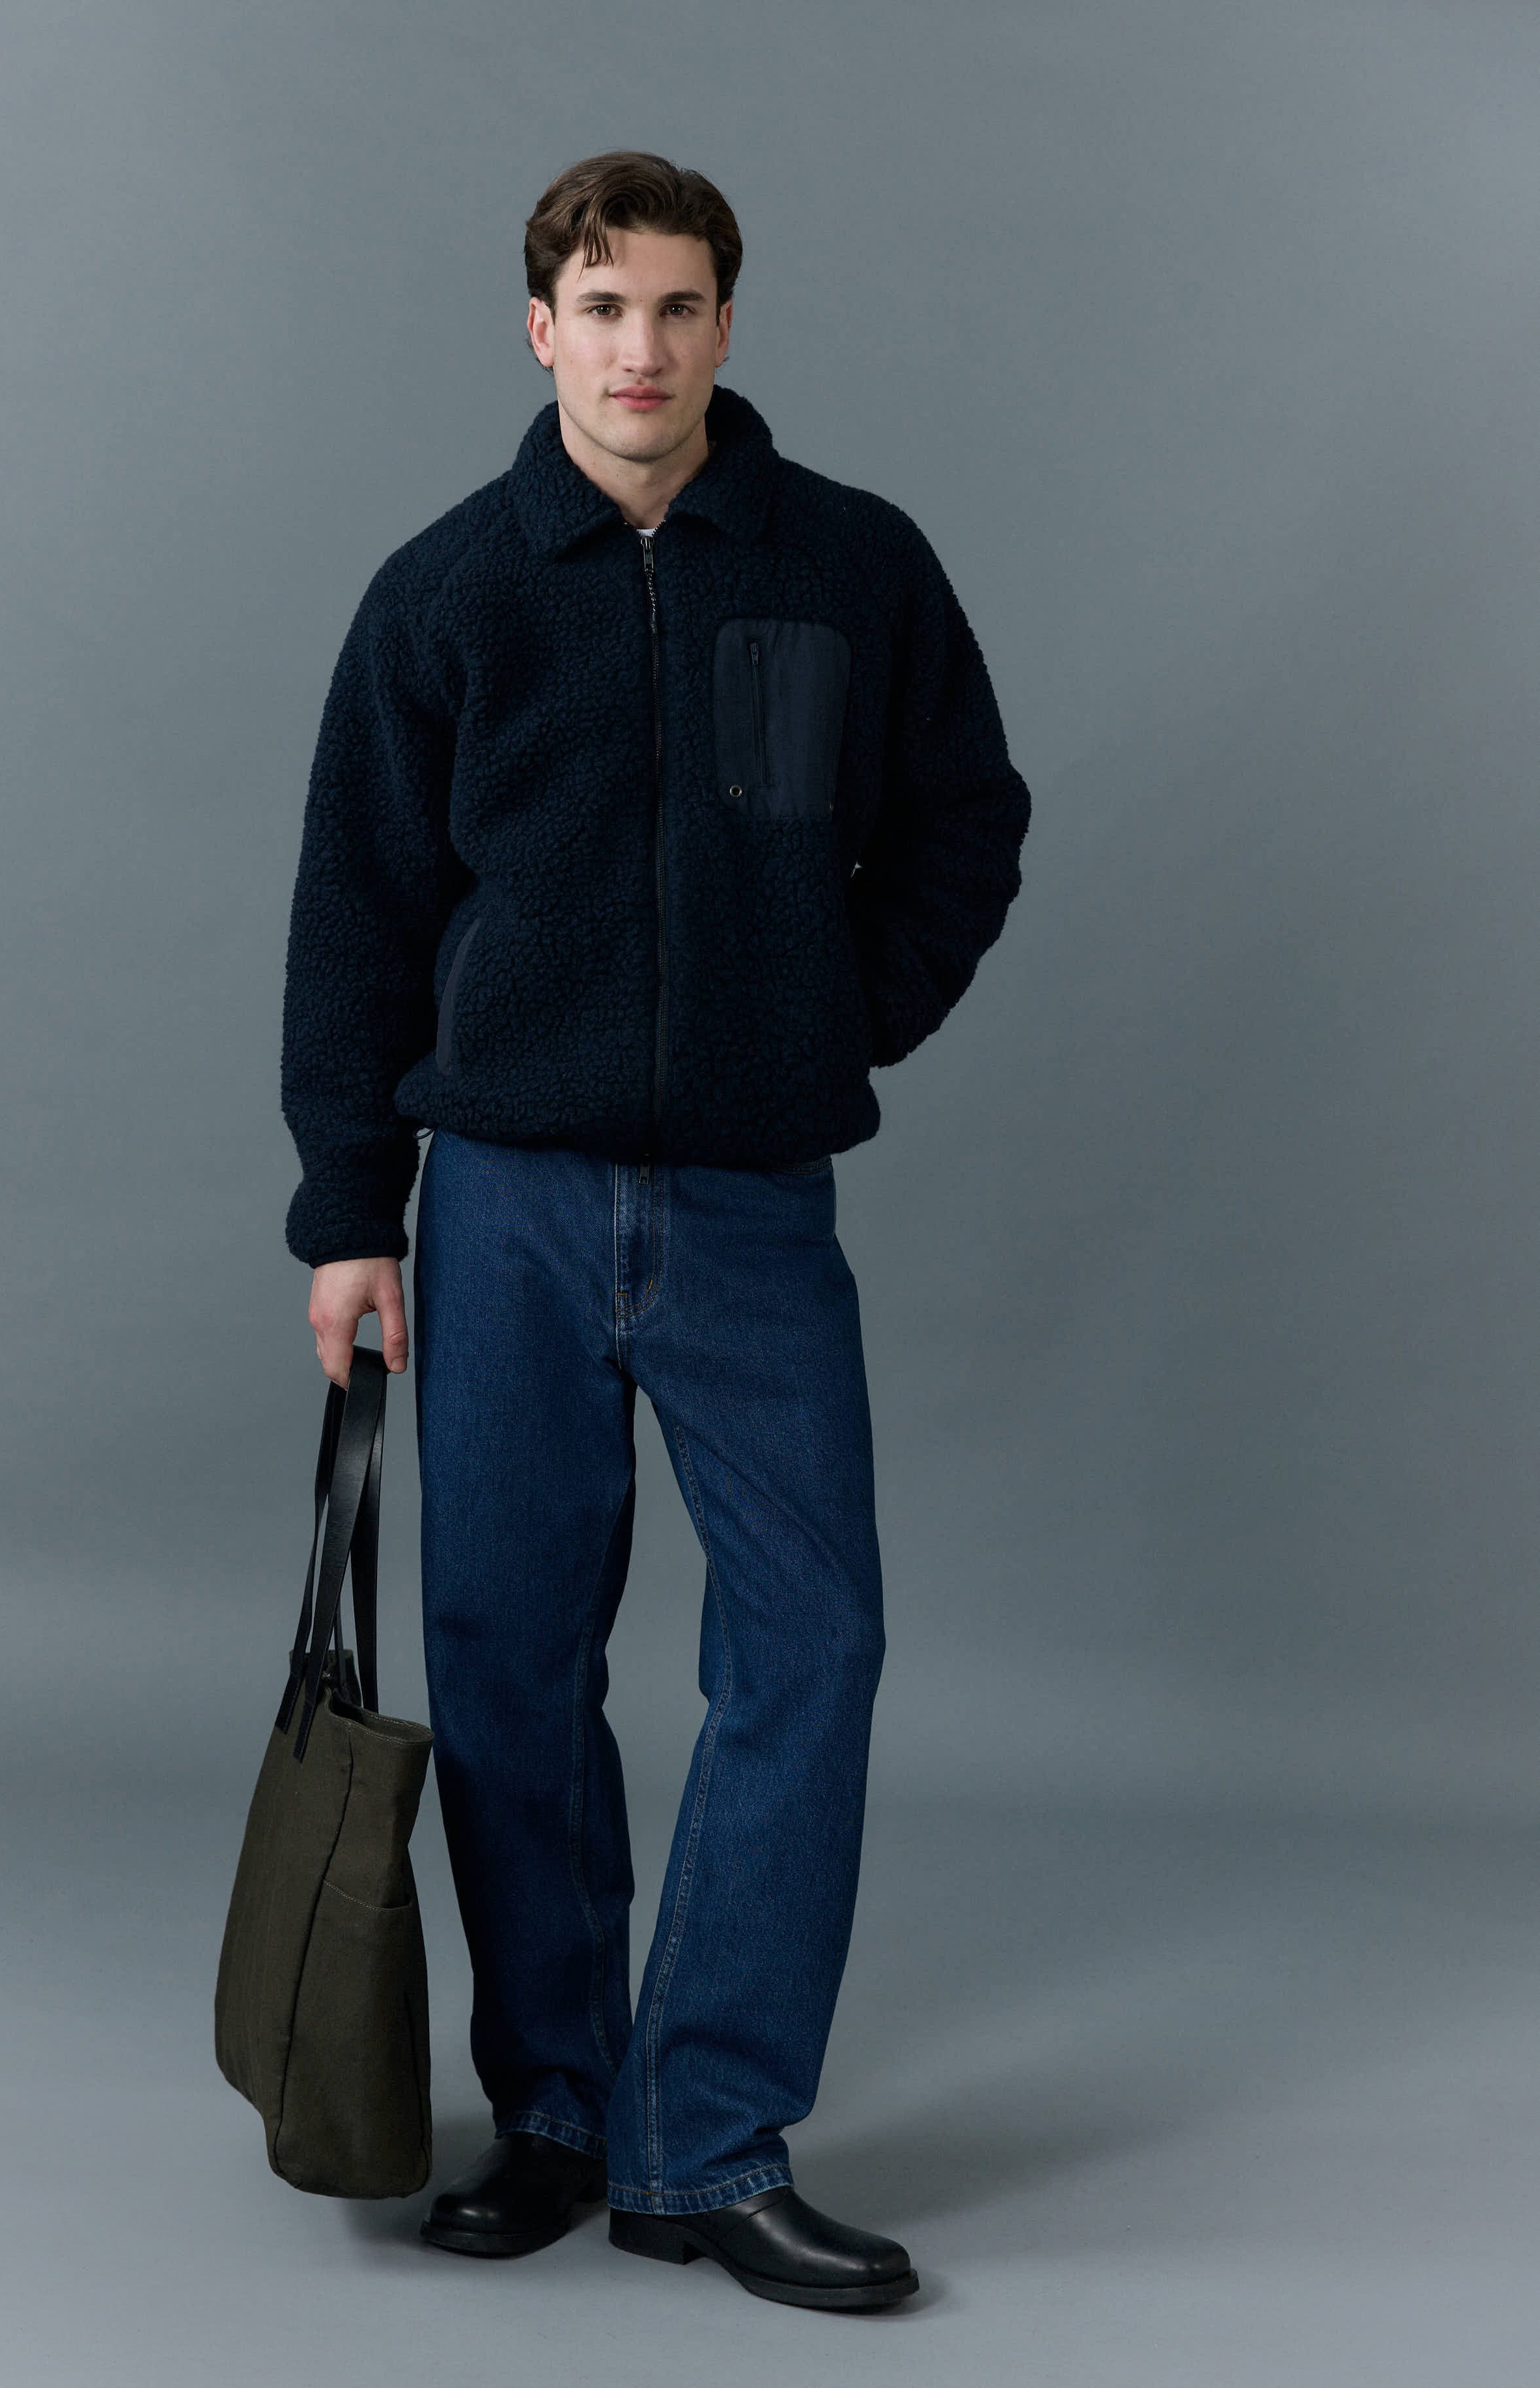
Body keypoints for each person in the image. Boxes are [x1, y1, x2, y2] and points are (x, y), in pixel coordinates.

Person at [280, 149, 1031, 2313]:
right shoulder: (447, 592)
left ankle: (711, 2136)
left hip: (749, 1209)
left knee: (809, 1642)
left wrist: (822, 1028)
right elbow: (357, 918)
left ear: (727, 325)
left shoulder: (847, 566)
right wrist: (351, 1210)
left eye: (678, 307)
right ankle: (559, 2110)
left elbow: (961, 824)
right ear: (539, 327)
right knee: (510, 1659)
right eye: (600, 306)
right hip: (495, 1202)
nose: (640, 348)